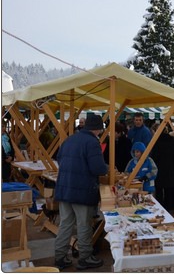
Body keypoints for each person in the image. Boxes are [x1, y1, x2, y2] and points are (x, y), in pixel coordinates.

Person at [54, 114, 108, 270]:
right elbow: (97, 168)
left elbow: (60, 159)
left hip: (65, 188)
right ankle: (85, 258)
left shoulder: (69, 139)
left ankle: (60, 257)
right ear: (98, 129)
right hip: (82, 190)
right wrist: (106, 168)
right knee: (83, 224)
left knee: (65, 224)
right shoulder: (92, 142)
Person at [149, 124, 174, 210]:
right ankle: (168, 207)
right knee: (168, 190)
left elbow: (153, 156)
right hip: (169, 168)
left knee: (159, 190)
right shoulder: (172, 140)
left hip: (159, 168)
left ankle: (160, 207)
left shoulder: (155, 141)